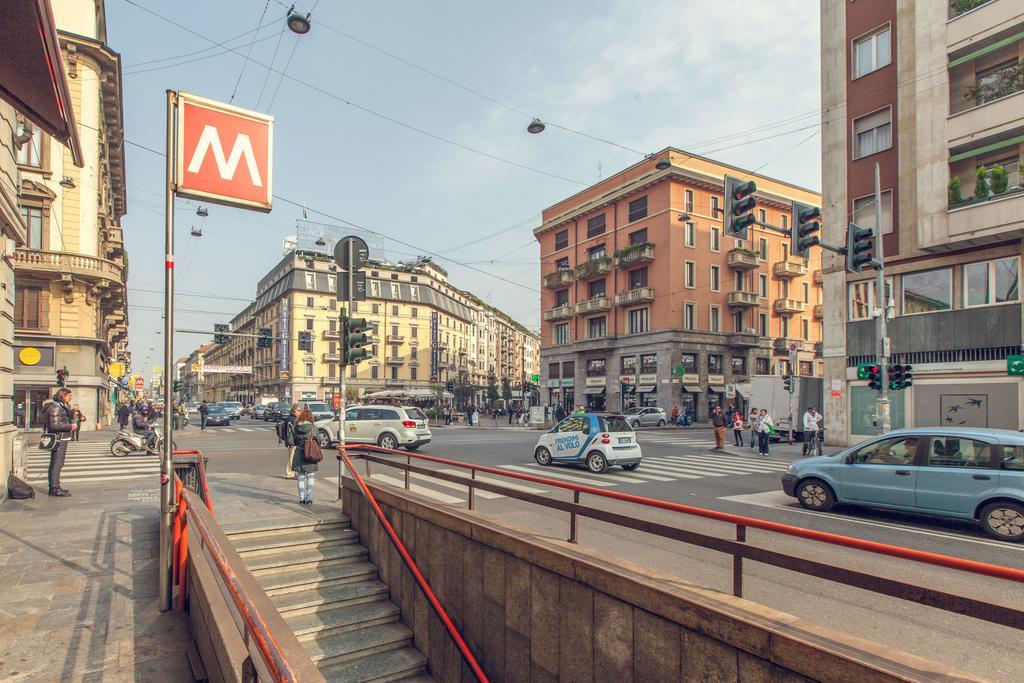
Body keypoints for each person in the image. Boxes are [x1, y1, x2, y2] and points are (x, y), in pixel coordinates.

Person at [42, 388, 75, 496]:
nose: (71, 398)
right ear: (63, 396)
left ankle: (55, 486)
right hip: (59, 438)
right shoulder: (56, 408)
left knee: (57, 463)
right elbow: (55, 425)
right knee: (57, 463)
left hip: (61, 438)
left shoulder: (60, 406)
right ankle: (54, 488)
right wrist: (70, 426)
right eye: (69, 396)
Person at [287, 406, 318, 505]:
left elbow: (290, 441)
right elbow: (320, 440)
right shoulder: (314, 428)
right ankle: (309, 499)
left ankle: (301, 498)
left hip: (299, 453)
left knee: (300, 477)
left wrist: (299, 442)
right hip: (310, 453)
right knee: (310, 477)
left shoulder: (296, 427)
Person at [282, 405, 299, 479]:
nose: (300, 412)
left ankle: (292, 472)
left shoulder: (289, 418)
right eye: (299, 410)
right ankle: (290, 473)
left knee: (291, 457)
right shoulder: (294, 419)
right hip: (293, 441)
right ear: (295, 411)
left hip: (290, 441)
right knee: (292, 457)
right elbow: (296, 431)